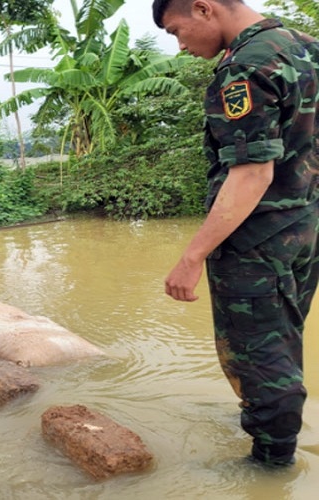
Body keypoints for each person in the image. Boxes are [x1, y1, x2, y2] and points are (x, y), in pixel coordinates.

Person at [153, 0, 319, 467]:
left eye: (176, 31)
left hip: (256, 241)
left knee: (256, 356)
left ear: (204, 9)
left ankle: (271, 464)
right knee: (281, 342)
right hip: (305, 231)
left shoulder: (246, 66)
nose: (181, 45)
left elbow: (250, 175)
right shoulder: (307, 48)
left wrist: (192, 257)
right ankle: (273, 424)